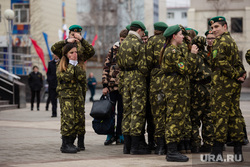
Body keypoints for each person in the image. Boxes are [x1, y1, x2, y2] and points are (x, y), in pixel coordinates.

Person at [206, 16, 246, 162]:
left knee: (219, 117)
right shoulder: (231, 41)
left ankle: (217, 153)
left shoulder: (220, 41)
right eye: (212, 28)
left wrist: (236, 75)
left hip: (223, 84)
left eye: (216, 27)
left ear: (225, 27)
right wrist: (241, 74)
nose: (213, 30)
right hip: (233, 85)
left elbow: (220, 62)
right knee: (234, 116)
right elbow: (236, 61)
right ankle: (238, 152)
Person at [51, 24, 95, 153]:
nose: (74, 54)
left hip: (78, 88)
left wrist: (81, 40)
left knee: (79, 117)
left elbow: (91, 51)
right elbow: (54, 48)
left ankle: (79, 142)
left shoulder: (81, 50)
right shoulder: (64, 50)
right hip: (67, 90)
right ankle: (67, 143)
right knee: (68, 117)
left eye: (77, 34)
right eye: (73, 34)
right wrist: (66, 41)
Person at [159, 24, 198, 162]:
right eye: (181, 34)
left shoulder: (172, 50)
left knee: (176, 117)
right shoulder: (172, 51)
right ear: (174, 36)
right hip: (175, 90)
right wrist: (192, 55)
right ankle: (171, 152)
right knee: (174, 118)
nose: (183, 36)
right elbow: (186, 68)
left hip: (178, 89)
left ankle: (173, 150)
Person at [117, 20, 150, 155]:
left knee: (127, 111)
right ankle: (135, 147)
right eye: (142, 33)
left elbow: (119, 63)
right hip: (137, 79)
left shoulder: (123, 44)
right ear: (139, 31)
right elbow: (143, 66)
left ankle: (127, 146)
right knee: (138, 111)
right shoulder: (139, 44)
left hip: (125, 79)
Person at [102, 29, 128, 146]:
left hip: (123, 87)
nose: (123, 42)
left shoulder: (128, 49)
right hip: (112, 87)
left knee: (122, 112)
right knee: (110, 112)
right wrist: (105, 85)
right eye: (122, 40)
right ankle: (110, 134)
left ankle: (120, 135)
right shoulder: (113, 49)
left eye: (125, 40)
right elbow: (106, 67)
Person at [145, 21, 168, 155]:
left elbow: (146, 62)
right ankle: (169, 144)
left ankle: (159, 146)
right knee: (169, 113)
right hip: (169, 81)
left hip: (155, 82)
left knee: (157, 114)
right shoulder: (169, 41)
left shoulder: (151, 41)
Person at [189, 36, 213, 153]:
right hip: (209, 88)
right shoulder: (209, 56)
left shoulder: (194, 56)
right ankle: (209, 143)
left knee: (194, 118)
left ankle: (196, 144)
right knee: (208, 117)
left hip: (197, 88)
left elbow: (190, 71)